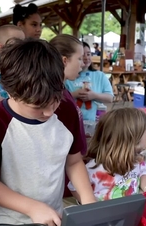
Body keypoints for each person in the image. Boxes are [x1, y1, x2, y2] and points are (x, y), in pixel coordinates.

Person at [0, 39, 97, 226]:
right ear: (11, 93)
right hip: (9, 225)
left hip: (55, 219)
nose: (49, 112)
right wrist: (33, 208)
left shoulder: (67, 108)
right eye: (38, 107)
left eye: (54, 100)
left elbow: (74, 161)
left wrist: (89, 201)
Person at [68, 108, 146, 201]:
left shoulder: (137, 161)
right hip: (104, 214)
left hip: (131, 211)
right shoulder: (93, 169)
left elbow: (144, 174)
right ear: (132, 139)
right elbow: (73, 188)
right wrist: (89, 204)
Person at [49, 34, 90, 197]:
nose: (82, 64)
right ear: (64, 60)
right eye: (79, 59)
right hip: (64, 179)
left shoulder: (62, 90)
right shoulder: (57, 98)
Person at [65, 41, 113, 121]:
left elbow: (110, 98)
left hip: (93, 121)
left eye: (88, 54)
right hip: (71, 120)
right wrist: (75, 94)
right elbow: (59, 99)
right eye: (82, 55)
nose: (86, 58)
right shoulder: (68, 76)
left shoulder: (100, 76)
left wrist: (94, 96)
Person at [0, 25, 25, 99]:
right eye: (17, 44)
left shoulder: (30, 72)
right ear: (0, 47)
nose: (22, 48)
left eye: (24, 43)